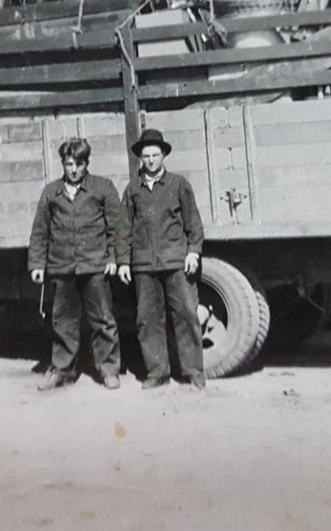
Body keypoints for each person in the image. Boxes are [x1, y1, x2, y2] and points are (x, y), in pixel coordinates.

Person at [27, 138, 128, 391]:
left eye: (79, 164)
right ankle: (62, 370)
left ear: (87, 164)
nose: (73, 169)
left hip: (95, 266)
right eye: (69, 164)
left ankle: (108, 370)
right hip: (62, 267)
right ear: (63, 163)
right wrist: (37, 264)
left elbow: (117, 227)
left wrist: (115, 259)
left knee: (103, 320)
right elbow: (40, 231)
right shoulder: (51, 192)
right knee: (62, 321)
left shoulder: (102, 187)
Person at [119, 128, 207, 390]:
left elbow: (194, 222)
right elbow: (124, 228)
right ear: (140, 158)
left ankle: (193, 371)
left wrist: (193, 251)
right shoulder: (132, 189)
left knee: (186, 315)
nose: (150, 160)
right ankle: (157, 373)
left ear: (164, 155)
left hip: (176, 262)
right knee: (147, 320)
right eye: (146, 156)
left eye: (155, 155)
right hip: (144, 265)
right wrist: (124, 261)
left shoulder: (179, 185)